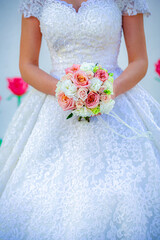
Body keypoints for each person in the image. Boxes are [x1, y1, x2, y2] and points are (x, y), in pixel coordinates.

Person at [0, 0, 160, 239]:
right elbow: (27, 65)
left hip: (114, 97)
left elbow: (139, 61)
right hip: (54, 102)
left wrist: (106, 92)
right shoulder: (36, 2)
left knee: (128, 192)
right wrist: (67, 91)